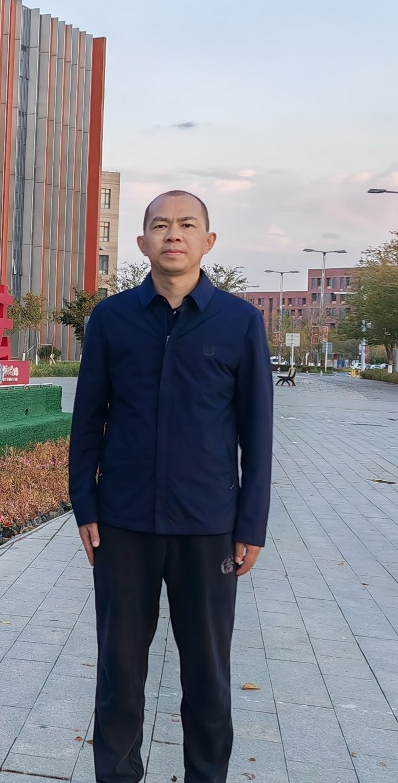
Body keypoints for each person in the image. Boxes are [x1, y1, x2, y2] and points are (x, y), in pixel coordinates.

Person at [69, 190, 273, 783]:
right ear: (142, 243)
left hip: (209, 528)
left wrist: (251, 524)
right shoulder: (111, 320)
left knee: (207, 677)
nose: (173, 234)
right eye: (160, 225)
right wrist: (85, 504)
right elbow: (88, 418)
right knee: (119, 675)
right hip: (123, 524)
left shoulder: (239, 322)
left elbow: (257, 433)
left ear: (208, 241)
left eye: (186, 225)